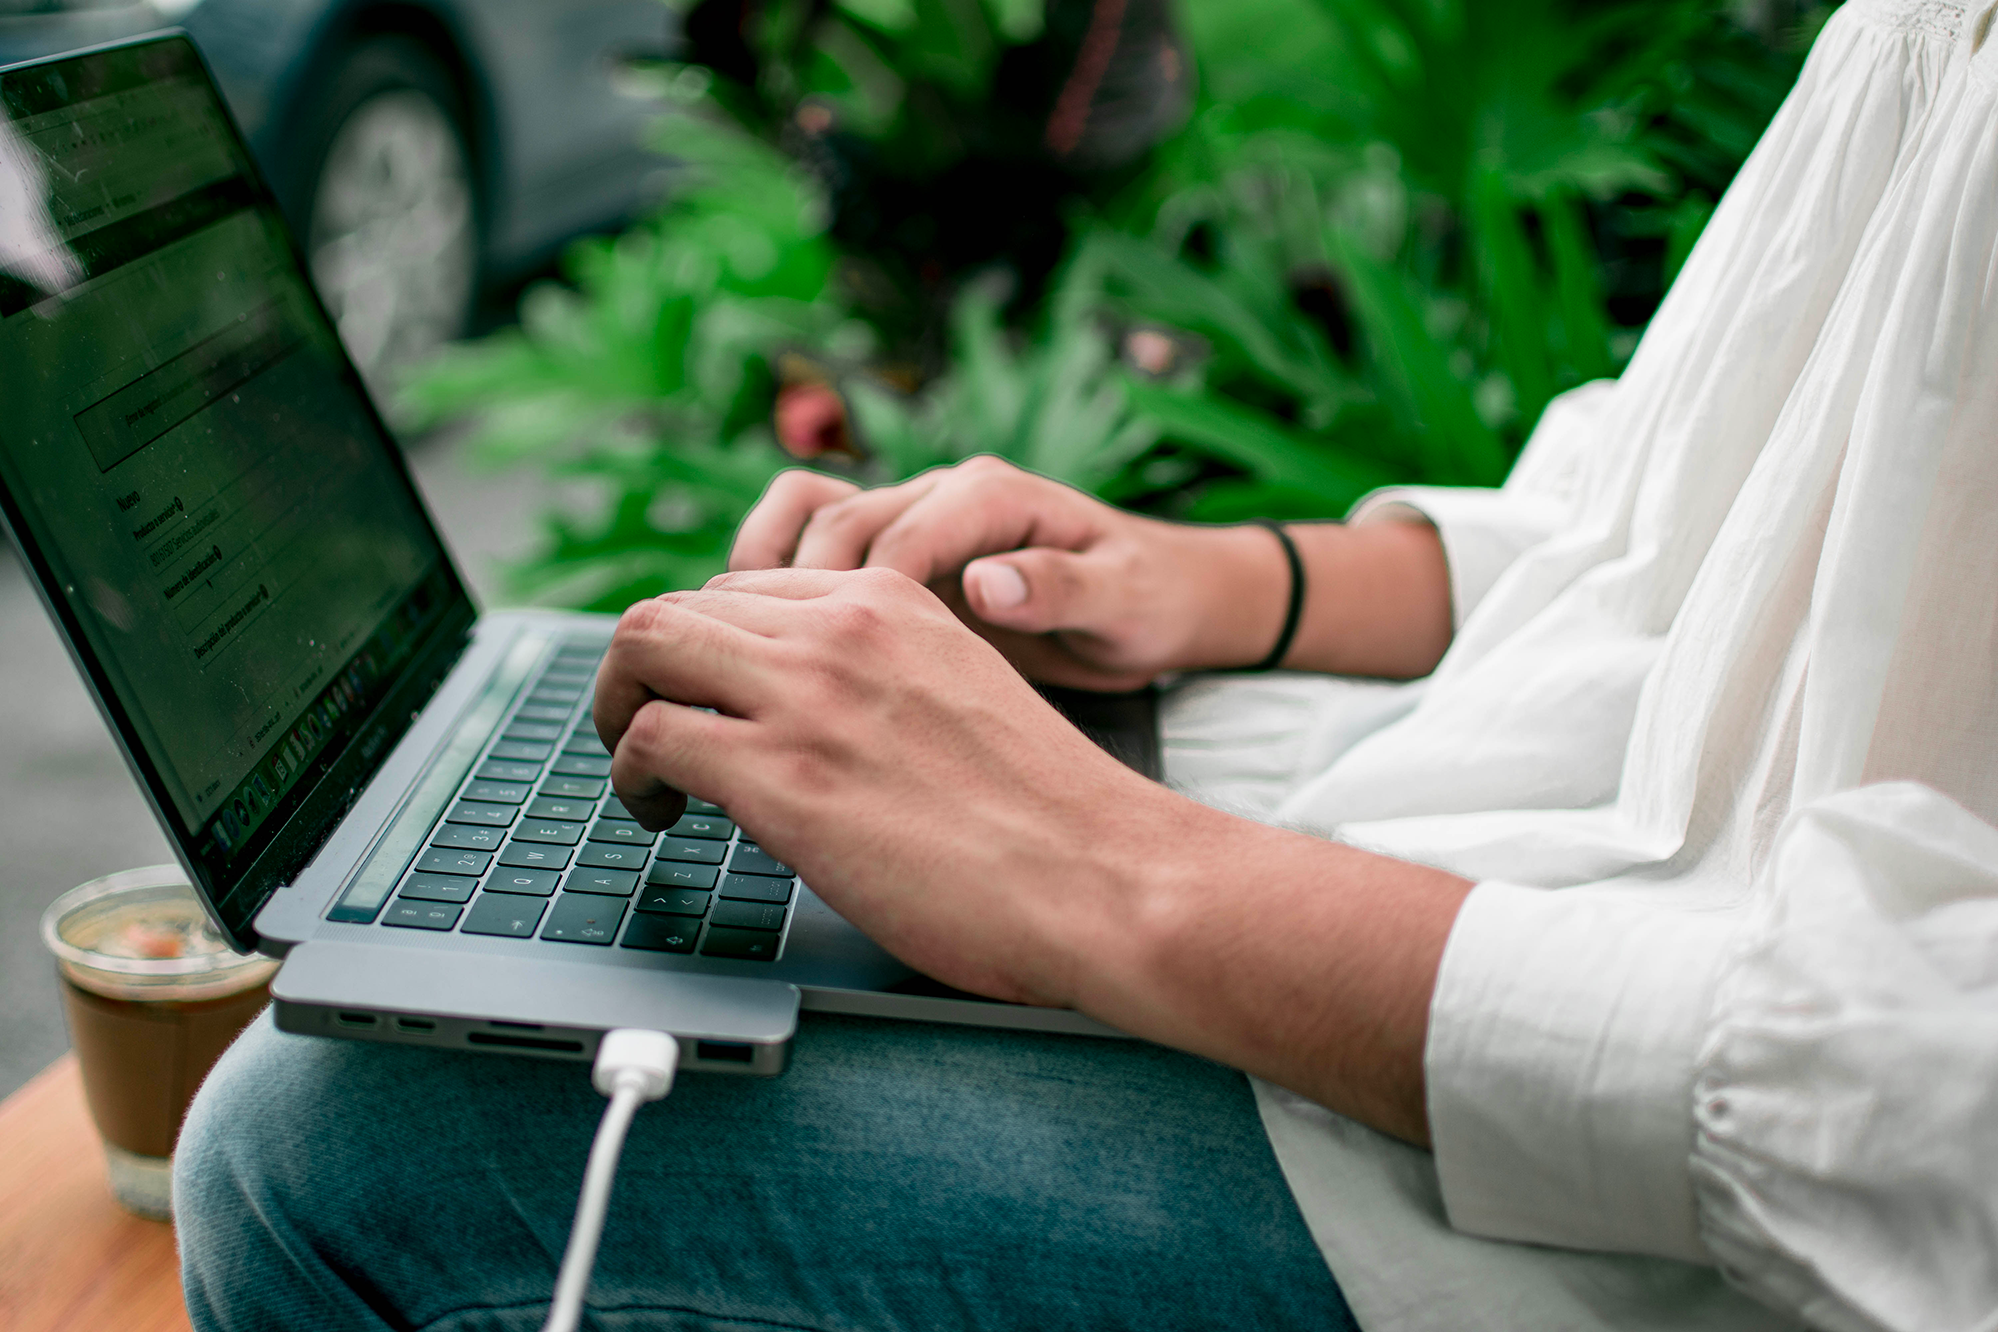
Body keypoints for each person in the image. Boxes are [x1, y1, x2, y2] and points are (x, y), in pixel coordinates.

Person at [176, 2, 1998, 1329]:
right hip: (1455, 827)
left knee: (331, 1148)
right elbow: (1677, 521)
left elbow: (1929, 1119)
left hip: (1656, 1188)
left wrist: (1108, 874)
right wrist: (1207, 582)